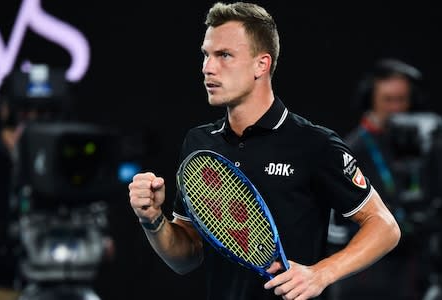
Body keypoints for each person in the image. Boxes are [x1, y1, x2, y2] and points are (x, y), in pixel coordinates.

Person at [128, 2, 401, 299]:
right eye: (206, 55)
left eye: (224, 56)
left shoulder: (313, 144)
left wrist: (321, 273)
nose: (207, 67)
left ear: (262, 64)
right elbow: (187, 257)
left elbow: (385, 227)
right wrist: (152, 220)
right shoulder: (199, 144)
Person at [327, 58, 427, 300]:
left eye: (401, 100)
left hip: (410, 272)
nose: (395, 108)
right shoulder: (351, 150)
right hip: (366, 279)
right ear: (370, 100)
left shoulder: (419, 147)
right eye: (388, 100)